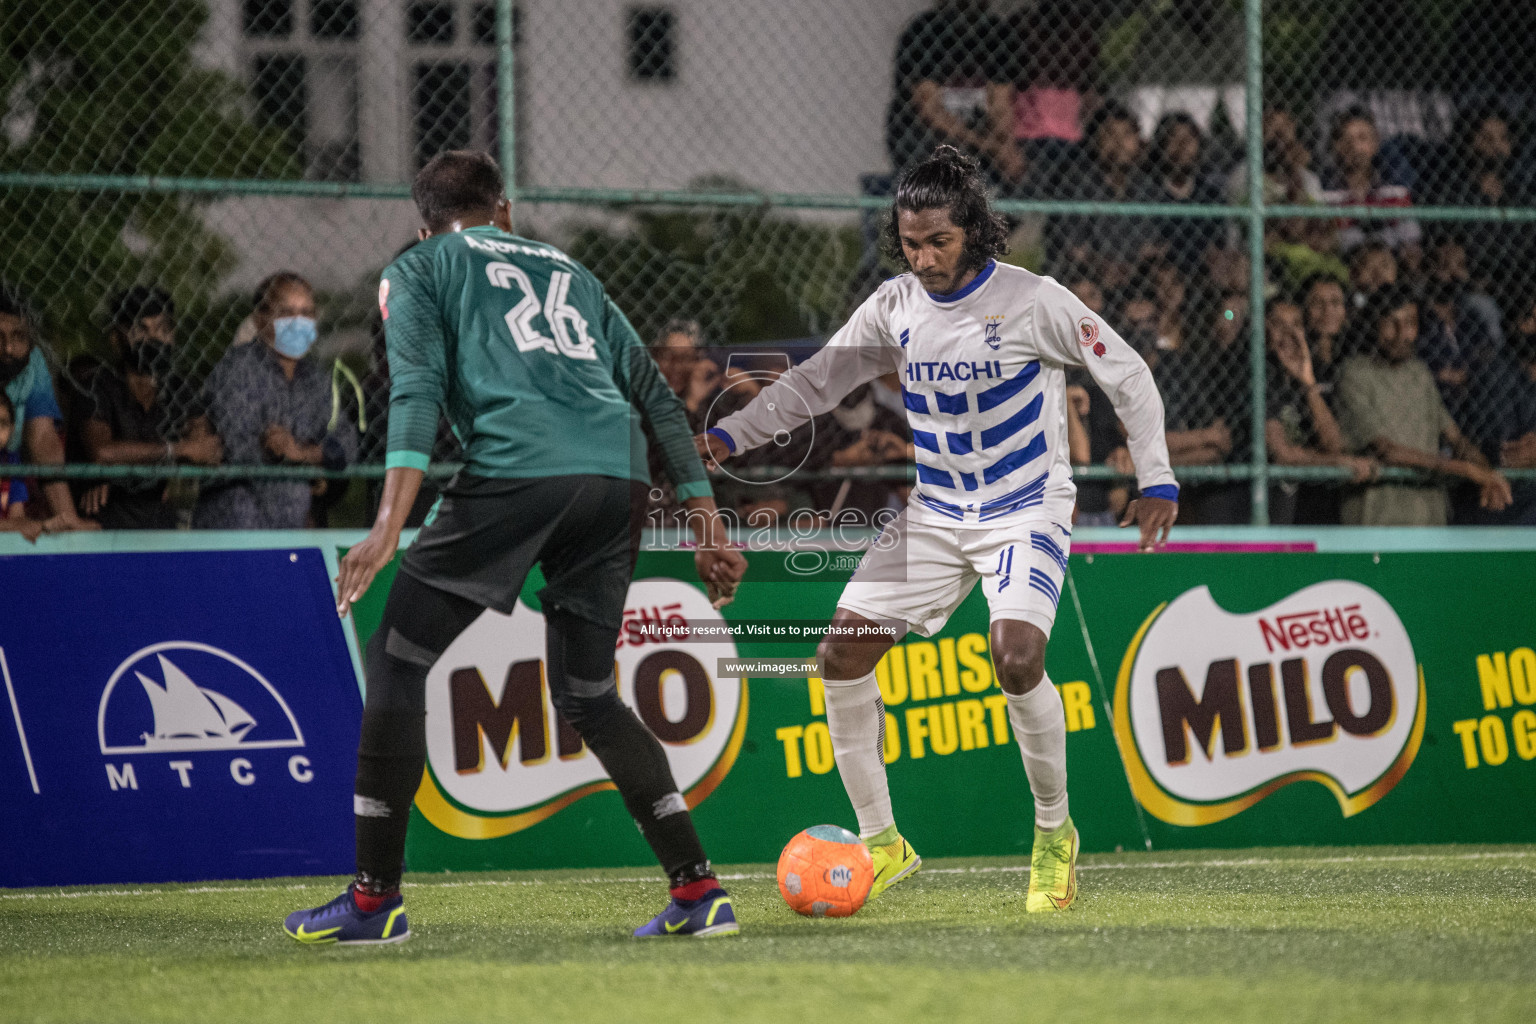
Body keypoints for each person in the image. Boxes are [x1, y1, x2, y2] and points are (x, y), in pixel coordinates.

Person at [283, 151, 748, 945]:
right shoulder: (571, 270)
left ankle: (373, 902)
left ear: (424, 223)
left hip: (518, 468)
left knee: (399, 660)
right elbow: (658, 400)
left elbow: (417, 392)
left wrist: (390, 524)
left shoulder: (420, 265)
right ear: (504, 210)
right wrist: (706, 526)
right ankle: (699, 890)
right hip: (618, 476)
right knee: (589, 693)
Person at [697, 147, 1177, 913]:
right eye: (910, 242)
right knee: (839, 655)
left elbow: (1126, 372)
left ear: (974, 231)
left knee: (1016, 660)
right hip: (937, 512)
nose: (923, 258)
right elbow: (819, 380)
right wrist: (730, 437)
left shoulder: (1033, 300)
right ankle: (884, 845)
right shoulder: (894, 306)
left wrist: (1155, 477)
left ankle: (1054, 834)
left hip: (1025, 505)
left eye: (938, 242)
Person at [1334, 285, 1511, 525]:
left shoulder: (1420, 373)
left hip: (1429, 516)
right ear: (1373, 324)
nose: (1401, 333)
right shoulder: (1354, 373)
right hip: (1378, 518)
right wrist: (1467, 470)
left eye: (1410, 323)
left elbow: (1455, 438)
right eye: (1391, 323)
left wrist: (1488, 472)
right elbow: (1386, 450)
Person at [196, 273, 358, 529]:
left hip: (295, 523)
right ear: (261, 319)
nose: (298, 321)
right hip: (239, 521)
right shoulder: (238, 369)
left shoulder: (316, 378)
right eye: (287, 313)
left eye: (307, 312)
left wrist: (301, 453)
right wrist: (309, 460)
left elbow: (347, 443)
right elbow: (238, 447)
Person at [79, 287, 221, 529]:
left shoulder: (179, 387)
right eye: (141, 330)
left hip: (161, 522)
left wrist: (184, 461)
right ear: (117, 338)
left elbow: (207, 448)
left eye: (163, 329)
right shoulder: (97, 385)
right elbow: (103, 453)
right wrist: (176, 450)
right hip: (107, 523)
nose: (154, 339)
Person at [886, 1, 1024, 188]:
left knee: (1023, 162)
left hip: (977, 132)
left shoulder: (997, 33)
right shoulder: (924, 32)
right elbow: (931, 112)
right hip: (928, 135)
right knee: (929, 150)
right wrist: (990, 145)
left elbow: (1000, 104)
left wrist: (1005, 145)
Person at [1262, 299, 1377, 524]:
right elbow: (1282, 454)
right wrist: (1339, 463)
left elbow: (1334, 443)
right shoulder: (1256, 375)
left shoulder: (1317, 373)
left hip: (1308, 507)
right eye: (1278, 325)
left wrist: (1307, 382)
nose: (1289, 334)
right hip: (1265, 505)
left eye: (1296, 325)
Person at [0, 287, 95, 533]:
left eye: (18, 337)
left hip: (8, 474)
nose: (7, 349)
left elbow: (42, 438)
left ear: (31, 340)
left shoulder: (34, 364)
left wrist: (67, 518)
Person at [0, 393, 43, 541]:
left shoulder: (11, 462)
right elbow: (15, 525)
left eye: (3, 423)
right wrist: (11, 526)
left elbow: (17, 517)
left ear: (12, 429)